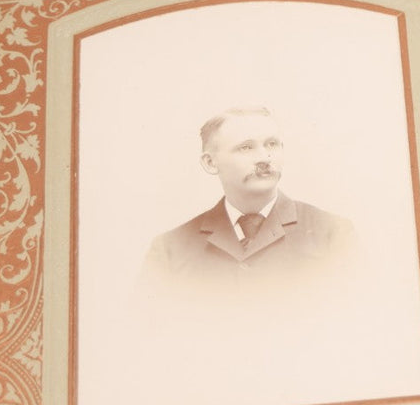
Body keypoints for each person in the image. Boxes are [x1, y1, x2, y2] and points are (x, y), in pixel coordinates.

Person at [141, 105, 359, 294]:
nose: (264, 158)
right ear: (210, 162)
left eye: (272, 144)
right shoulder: (170, 250)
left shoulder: (332, 235)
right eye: (246, 147)